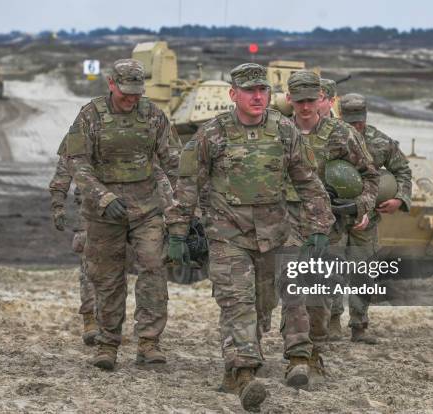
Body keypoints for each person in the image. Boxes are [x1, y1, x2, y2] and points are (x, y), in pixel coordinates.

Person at [166, 63, 335, 411]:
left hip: (277, 230)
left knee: (292, 295)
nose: (257, 97)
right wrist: (178, 232)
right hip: (228, 234)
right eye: (249, 91)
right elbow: (187, 186)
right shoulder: (211, 135)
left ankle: (299, 360)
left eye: (263, 91)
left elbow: (308, 182)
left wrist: (319, 226)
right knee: (238, 302)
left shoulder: (285, 131)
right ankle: (243, 373)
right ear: (233, 95)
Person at [63, 58, 178, 370]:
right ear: (112, 85)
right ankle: (107, 343)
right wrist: (103, 196)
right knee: (108, 277)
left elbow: (173, 161)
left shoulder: (154, 116)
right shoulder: (90, 115)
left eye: (136, 93)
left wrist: (185, 201)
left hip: (146, 208)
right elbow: (76, 162)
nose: (131, 99)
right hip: (103, 212)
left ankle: (149, 342)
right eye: (125, 92)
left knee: (154, 267)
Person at [284, 71, 379, 359]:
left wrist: (360, 205)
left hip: (328, 226)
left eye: (311, 100)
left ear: (322, 99)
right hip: (285, 223)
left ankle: (314, 349)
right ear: (289, 99)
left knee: (319, 292)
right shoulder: (278, 132)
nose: (305, 106)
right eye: (299, 100)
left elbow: (371, 177)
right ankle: (296, 349)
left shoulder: (342, 134)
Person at [339, 93, 412, 342]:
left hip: (366, 220)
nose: (355, 127)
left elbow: (402, 170)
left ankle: (358, 326)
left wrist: (399, 199)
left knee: (363, 272)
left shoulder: (380, 142)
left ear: (365, 117)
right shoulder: (327, 138)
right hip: (333, 217)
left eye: (358, 122)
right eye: (350, 122)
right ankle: (326, 325)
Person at [49, 152, 97, 346]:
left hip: (126, 203)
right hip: (89, 205)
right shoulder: (84, 127)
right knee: (89, 263)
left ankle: (112, 322)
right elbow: (64, 167)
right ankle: (91, 320)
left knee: (118, 266)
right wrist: (58, 205)